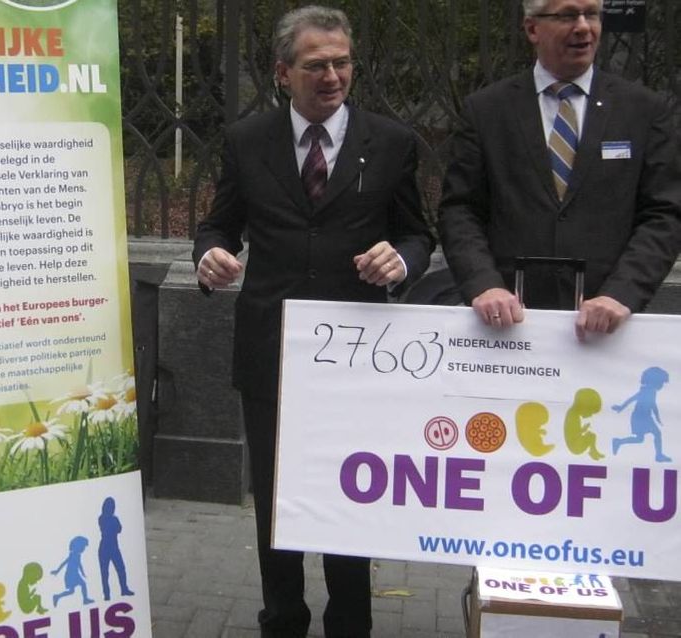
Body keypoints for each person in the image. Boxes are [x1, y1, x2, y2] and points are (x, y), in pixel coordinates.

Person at [192, 6, 434, 636]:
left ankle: (351, 622)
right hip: (272, 348)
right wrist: (209, 255)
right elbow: (219, 224)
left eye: (341, 62)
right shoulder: (249, 141)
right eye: (315, 65)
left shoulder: (391, 140)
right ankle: (283, 619)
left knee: (348, 497)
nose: (332, 76)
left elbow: (416, 232)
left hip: (356, 354)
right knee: (276, 502)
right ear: (283, 73)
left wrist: (400, 260)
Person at [438, 0, 681, 340]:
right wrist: (484, 285)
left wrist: (621, 294)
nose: (583, 27)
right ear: (532, 28)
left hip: (606, 331)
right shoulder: (487, 111)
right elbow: (460, 209)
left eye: (592, 14)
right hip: (506, 328)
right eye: (567, 15)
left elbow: (664, 214)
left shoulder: (643, 110)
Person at [97, 496, 134, 601]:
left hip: (111, 546)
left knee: (120, 569)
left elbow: (119, 529)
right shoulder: (106, 518)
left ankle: (123, 589)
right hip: (107, 547)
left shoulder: (106, 518)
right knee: (106, 572)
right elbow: (117, 529)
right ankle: (107, 594)